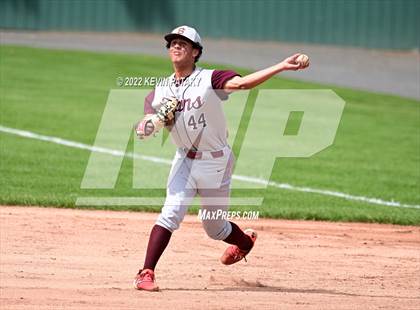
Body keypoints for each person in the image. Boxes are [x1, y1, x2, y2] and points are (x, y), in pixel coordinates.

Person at [133, 25, 309, 291]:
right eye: (172, 42)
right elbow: (141, 130)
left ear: (195, 52)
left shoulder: (210, 79)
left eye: (183, 42)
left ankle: (245, 243)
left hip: (216, 161)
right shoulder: (160, 90)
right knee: (170, 213)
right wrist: (156, 121)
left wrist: (281, 66)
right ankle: (146, 272)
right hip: (184, 159)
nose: (176, 45)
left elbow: (242, 83)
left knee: (214, 228)